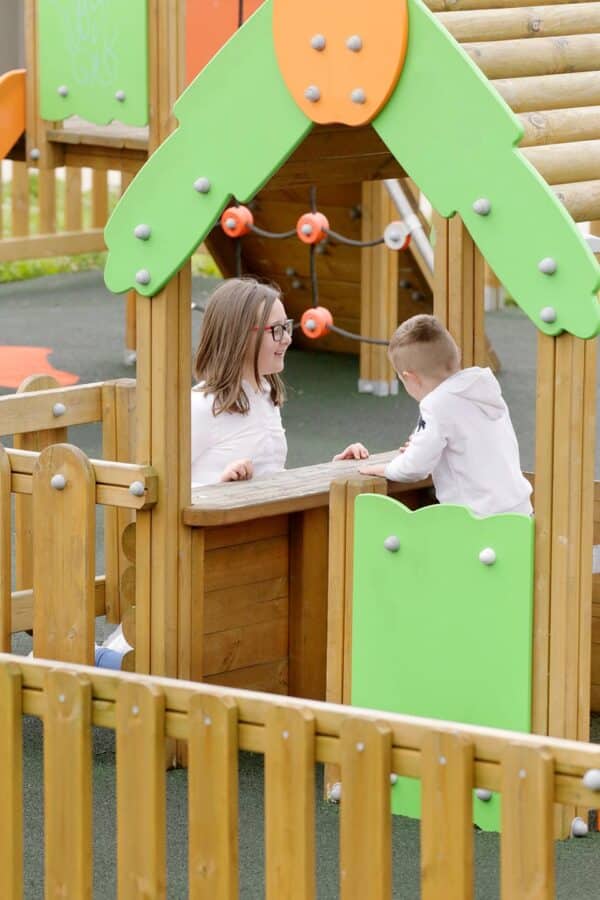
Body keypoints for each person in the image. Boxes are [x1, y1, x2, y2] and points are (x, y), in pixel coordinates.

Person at [102, 276, 365, 663]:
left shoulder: (265, 396)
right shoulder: (200, 407)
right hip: (203, 558)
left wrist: (331, 470)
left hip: (256, 544)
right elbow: (157, 492)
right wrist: (218, 485)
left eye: (287, 326)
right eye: (276, 330)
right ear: (241, 337)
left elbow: (271, 476)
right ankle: (104, 659)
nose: (287, 338)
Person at [359, 314, 533, 517]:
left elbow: (414, 468)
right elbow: (469, 442)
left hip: (478, 520)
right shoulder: (482, 388)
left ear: (410, 378)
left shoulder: (436, 404)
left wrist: (386, 469)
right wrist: (421, 446)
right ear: (457, 354)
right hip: (520, 512)